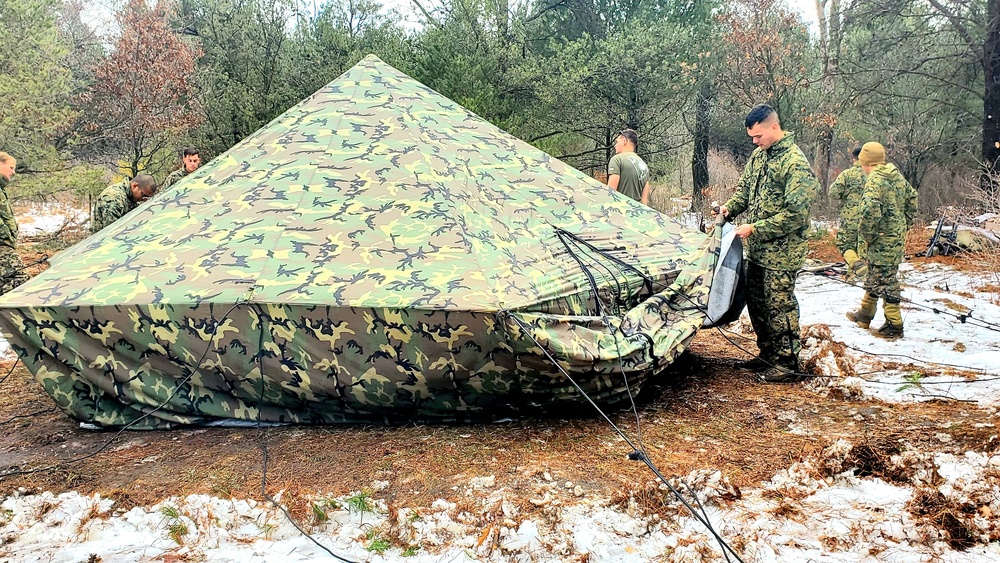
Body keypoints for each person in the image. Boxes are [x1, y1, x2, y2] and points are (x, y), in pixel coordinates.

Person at [713, 104, 819, 383]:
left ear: (774, 127)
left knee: (779, 306)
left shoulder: (795, 163)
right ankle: (768, 356)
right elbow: (744, 193)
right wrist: (728, 209)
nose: (755, 142)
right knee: (757, 304)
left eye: (758, 136)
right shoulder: (759, 157)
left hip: (783, 254)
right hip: (758, 250)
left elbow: (795, 214)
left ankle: (787, 363)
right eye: (752, 137)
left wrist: (755, 228)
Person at [846, 142, 918, 339]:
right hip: (894, 237)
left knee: (887, 281)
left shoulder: (874, 181)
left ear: (866, 162)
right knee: (876, 275)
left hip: (880, 240)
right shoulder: (896, 176)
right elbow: (912, 198)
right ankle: (864, 315)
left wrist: (868, 236)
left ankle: (894, 325)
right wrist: (903, 224)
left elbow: (870, 211)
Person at [830, 146, 868, 281]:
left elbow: (833, 193)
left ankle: (855, 268)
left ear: (853, 159)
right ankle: (859, 273)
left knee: (846, 244)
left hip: (850, 216)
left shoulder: (847, 174)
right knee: (864, 245)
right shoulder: (874, 175)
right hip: (870, 214)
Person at [0, 152, 29, 295]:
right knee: (22, 279)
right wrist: (5, 236)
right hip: (2, 245)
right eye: (10, 167)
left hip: (5, 244)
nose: (13, 172)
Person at [90, 174, 158, 234]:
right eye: (143, 195)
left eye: (147, 197)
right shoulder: (113, 199)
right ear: (134, 186)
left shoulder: (131, 197)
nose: (143, 199)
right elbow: (112, 232)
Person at [607, 129, 650, 205]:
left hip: (620, 209)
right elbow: (644, 201)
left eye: (617, 142)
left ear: (624, 141)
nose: (615, 146)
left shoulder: (617, 159)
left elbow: (611, 193)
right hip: (636, 210)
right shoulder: (643, 165)